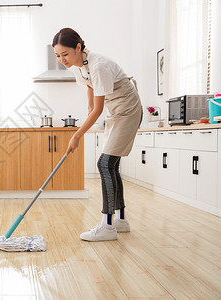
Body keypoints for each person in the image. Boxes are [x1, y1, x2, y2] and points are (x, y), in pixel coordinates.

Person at [52, 28, 142, 242]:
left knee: (104, 164)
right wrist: (87, 116)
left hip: (128, 110)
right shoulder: (78, 67)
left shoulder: (99, 65)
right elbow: (91, 97)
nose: (62, 60)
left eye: (65, 54)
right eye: (58, 56)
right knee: (111, 165)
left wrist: (77, 135)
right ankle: (120, 220)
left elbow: (98, 110)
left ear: (78, 47)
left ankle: (107, 226)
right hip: (116, 111)